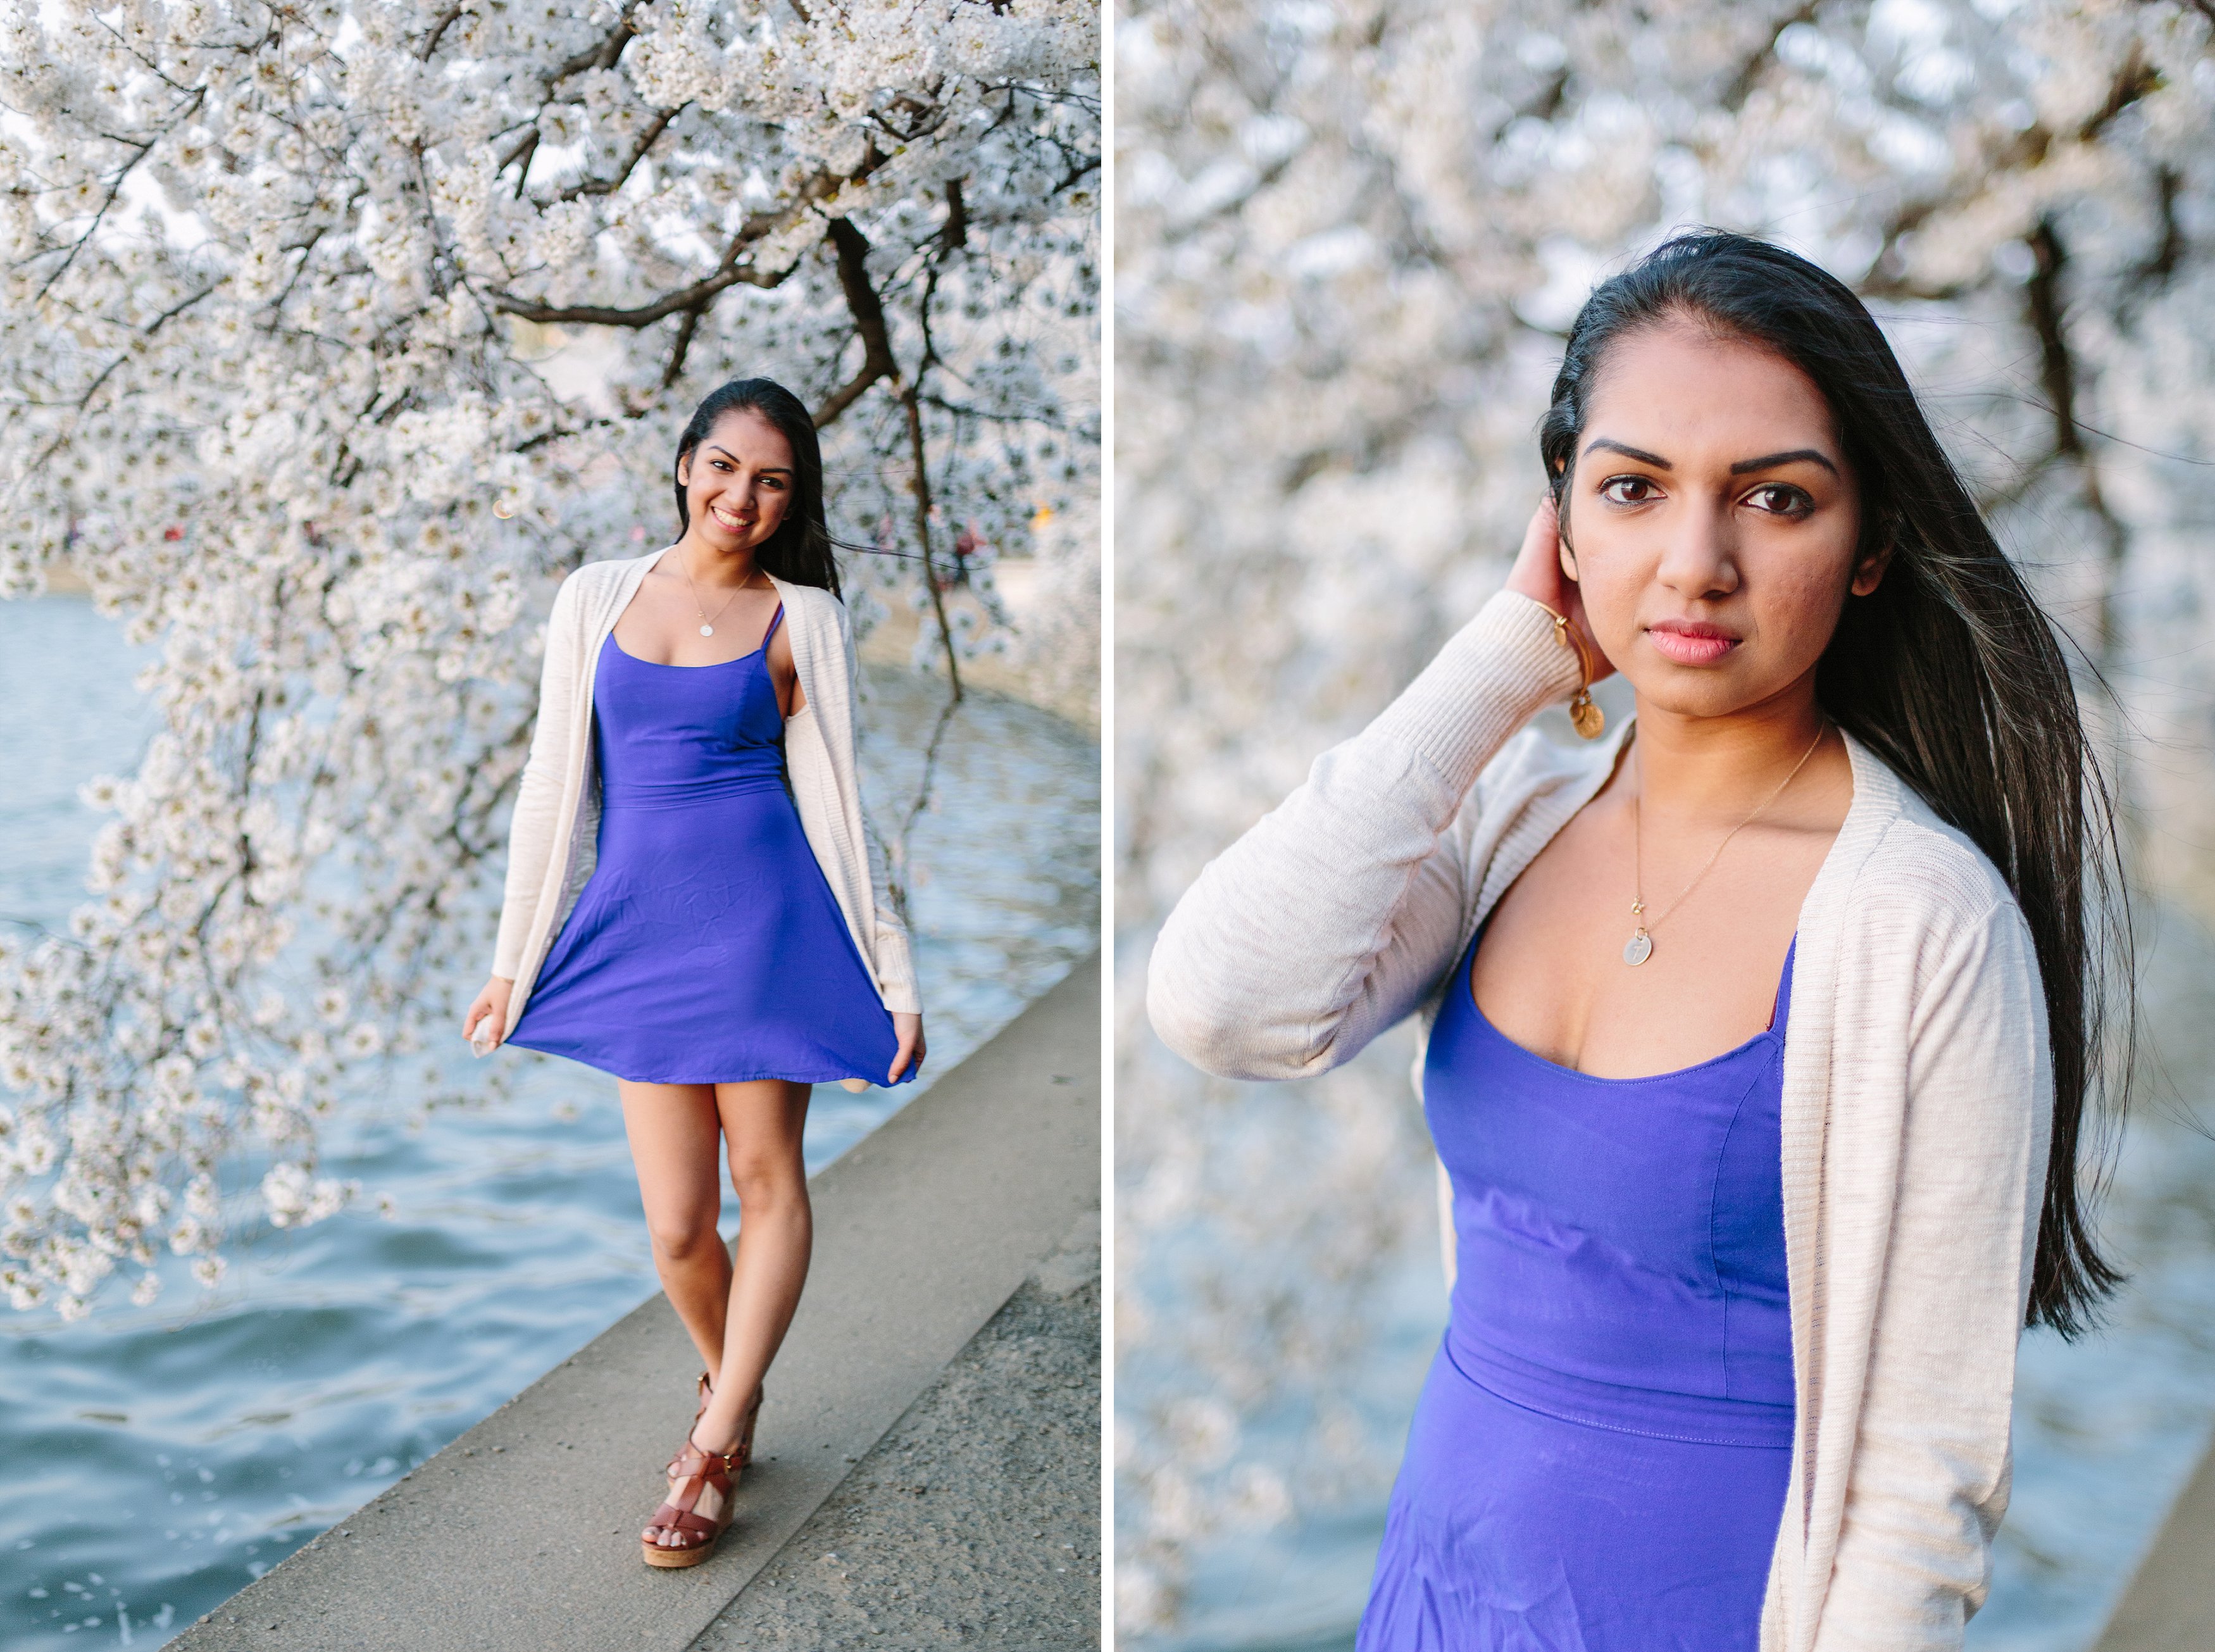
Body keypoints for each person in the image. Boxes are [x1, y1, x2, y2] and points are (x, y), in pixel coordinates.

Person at [1146, 232, 2127, 1649]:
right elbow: (1224, 1007)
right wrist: (1500, 661)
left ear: (1869, 553)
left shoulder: (1920, 923)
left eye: (1775, 500)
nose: (1694, 563)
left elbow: (1923, 1486)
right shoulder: (1516, 817)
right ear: (1559, 519)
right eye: (1631, 490)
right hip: (1439, 1591)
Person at [461, 377, 927, 1568]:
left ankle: (716, 1442)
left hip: (770, 922)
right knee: (676, 1227)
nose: (743, 496)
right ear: (685, 465)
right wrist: (514, 961)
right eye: (724, 467)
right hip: (641, 927)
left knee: (766, 1176)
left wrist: (896, 974)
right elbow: (553, 791)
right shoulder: (594, 598)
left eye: (772, 480)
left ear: (792, 498)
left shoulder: (805, 616)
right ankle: (738, 1384)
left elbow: (851, 811)